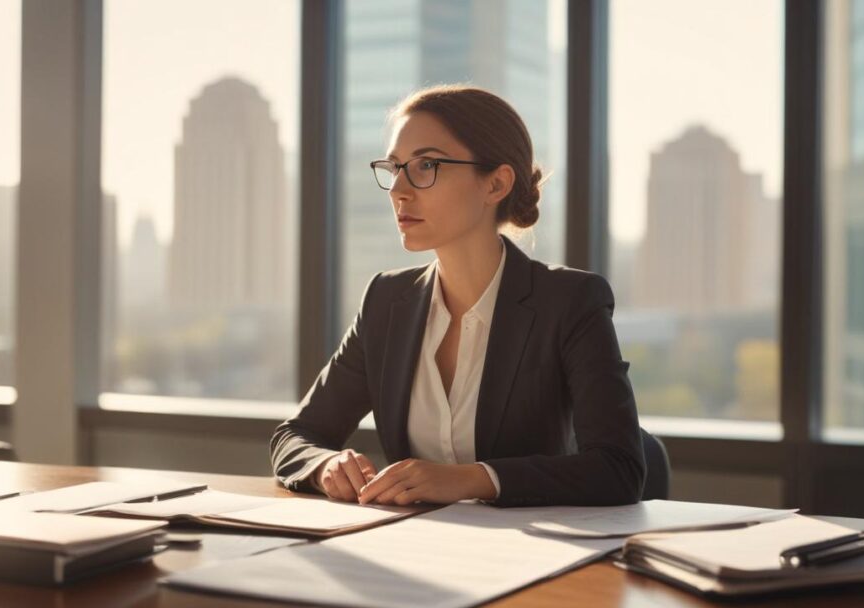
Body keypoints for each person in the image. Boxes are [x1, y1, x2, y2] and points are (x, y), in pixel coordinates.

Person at [270, 85, 645, 507]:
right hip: (412, 554)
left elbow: (618, 467)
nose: (399, 190)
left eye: (426, 165)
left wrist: (471, 480)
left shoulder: (570, 301)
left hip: (536, 557)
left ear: (496, 184)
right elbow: (295, 436)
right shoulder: (386, 302)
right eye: (395, 168)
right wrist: (325, 465)